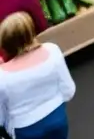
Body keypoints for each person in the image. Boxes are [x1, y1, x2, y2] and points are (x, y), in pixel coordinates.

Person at [0, 11, 75, 139]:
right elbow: (69, 91)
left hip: (26, 130)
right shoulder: (52, 50)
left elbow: (1, 118)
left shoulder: (3, 75)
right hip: (57, 120)